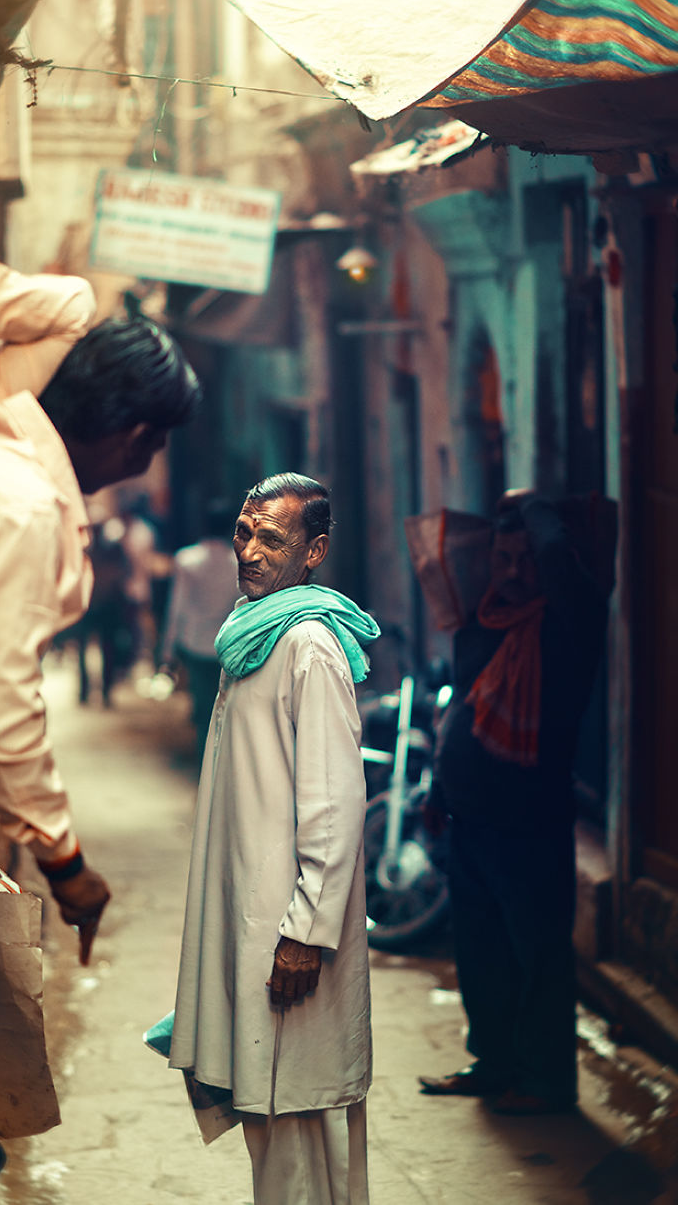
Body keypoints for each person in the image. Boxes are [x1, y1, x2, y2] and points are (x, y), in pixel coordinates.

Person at [0, 258, 200, 1200]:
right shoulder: (21, 505)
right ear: (139, 437)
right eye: (149, 450)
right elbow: (2, 711)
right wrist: (68, 863)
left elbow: (60, 298)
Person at [168, 473, 380, 1205]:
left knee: (297, 1122)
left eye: (273, 539)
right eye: (244, 532)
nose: (250, 551)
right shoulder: (252, 631)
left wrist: (306, 933)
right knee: (274, 1120)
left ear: (314, 551)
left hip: (289, 937)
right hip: (255, 916)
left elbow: (334, 806)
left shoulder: (308, 645)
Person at [418, 489, 608, 1115]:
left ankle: (547, 1080)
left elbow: (557, 558)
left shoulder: (568, 623)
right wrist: (440, 788)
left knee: (540, 956)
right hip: (471, 819)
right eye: (503, 557)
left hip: (529, 823)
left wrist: (533, 508)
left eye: (526, 559)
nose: (515, 571)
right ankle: (494, 1062)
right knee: (481, 955)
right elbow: (463, 709)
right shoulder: (483, 623)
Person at [159, 498, 239, 759]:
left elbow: (177, 606)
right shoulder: (239, 563)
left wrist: (168, 651)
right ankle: (219, 761)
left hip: (194, 643)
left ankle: (204, 759)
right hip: (228, 645)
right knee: (225, 707)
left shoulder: (187, 560)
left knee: (202, 704)